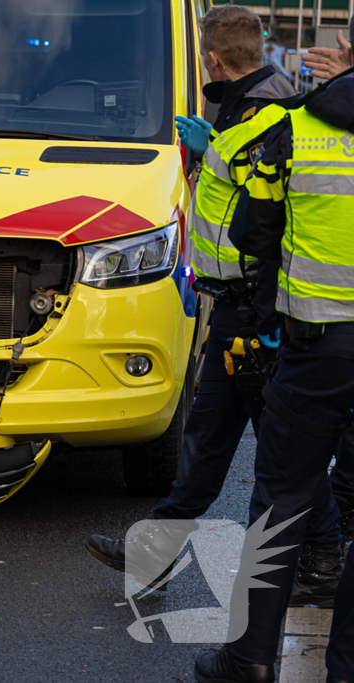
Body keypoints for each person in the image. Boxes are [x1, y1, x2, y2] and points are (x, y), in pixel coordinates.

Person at [86, 5, 346, 607]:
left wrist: (213, 155)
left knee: (281, 451)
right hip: (240, 304)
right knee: (215, 439)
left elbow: (265, 220)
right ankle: (153, 555)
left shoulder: (270, 114)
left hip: (253, 308)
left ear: (212, 57)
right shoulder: (257, 101)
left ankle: (324, 560)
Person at [191, 69, 354, 683]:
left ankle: (251, 657)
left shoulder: (294, 130)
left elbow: (251, 234)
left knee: (280, 502)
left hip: (316, 349)